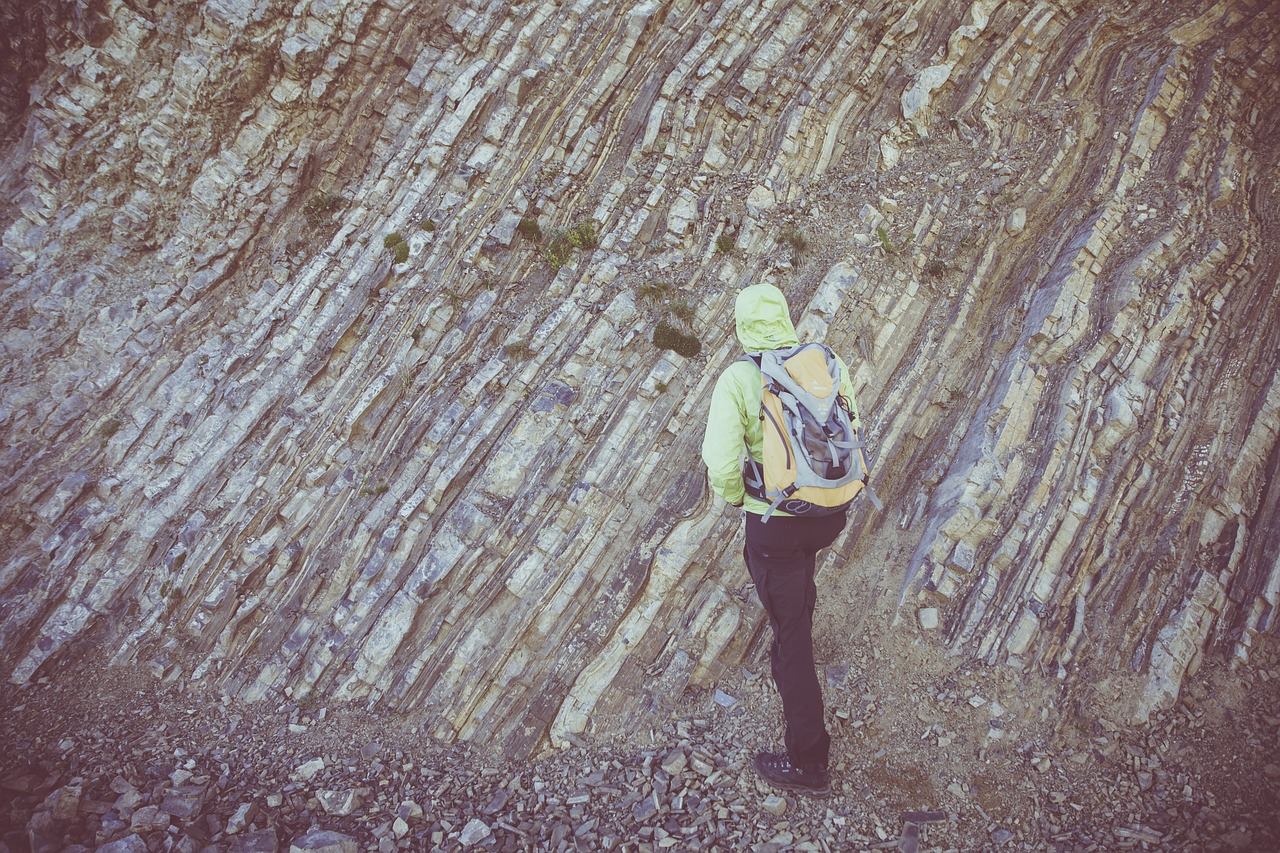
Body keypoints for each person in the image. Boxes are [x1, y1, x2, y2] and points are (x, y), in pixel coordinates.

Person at [700, 281, 861, 799]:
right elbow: (850, 427)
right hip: (829, 513)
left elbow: (721, 462)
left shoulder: (739, 377)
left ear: (743, 326)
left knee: (793, 642)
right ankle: (799, 608)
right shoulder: (823, 362)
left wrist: (737, 499)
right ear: (786, 319)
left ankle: (808, 763)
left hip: (775, 524)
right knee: (799, 582)